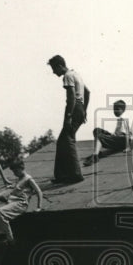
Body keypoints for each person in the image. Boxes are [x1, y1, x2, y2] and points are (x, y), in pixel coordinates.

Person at [48, 54, 90, 184]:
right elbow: (87, 92)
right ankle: (62, 175)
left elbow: (71, 97)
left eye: (54, 69)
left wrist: (68, 117)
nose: (54, 73)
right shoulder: (76, 74)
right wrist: (84, 110)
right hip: (80, 108)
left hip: (74, 108)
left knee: (68, 140)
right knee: (62, 141)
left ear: (60, 66)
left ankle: (76, 175)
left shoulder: (67, 76)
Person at [88, 99, 133, 164]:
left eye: (117, 109)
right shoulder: (120, 118)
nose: (114, 111)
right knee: (97, 130)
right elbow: (118, 131)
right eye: (114, 109)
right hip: (118, 139)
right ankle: (97, 150)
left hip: (123, 141)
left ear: (123, 110)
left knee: (100, 136)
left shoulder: (124, 119)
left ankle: (95, 155)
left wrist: (128, 147)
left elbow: (129, 134)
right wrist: (113, 135)